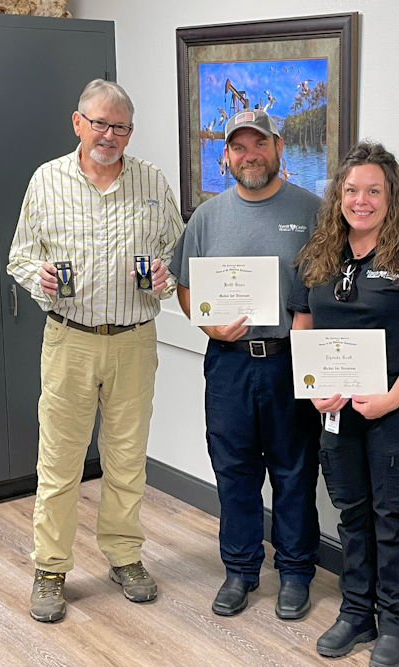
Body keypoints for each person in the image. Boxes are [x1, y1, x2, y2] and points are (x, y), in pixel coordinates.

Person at [7, 79, 184, 623]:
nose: (109, 135)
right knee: (58, 463)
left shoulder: (153, 182)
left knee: (127, 460)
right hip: (69, 340)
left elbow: (178, 252)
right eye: (100, 123)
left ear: (131, 131)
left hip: (133, 341)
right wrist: (38, 279)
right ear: (78, 122)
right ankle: (51, 569)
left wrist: (163, 276)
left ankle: (124, 557)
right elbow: (18, 257)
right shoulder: (47, 180)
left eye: (120, 126)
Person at [289, 142, 399, 666]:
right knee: (352, 512)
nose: (362, 200)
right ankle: (357, 611)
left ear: (391, 196)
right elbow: (302, 325)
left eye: (373, 191)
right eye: (352, 190)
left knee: (392, 515)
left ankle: (396, 621)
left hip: (395, 412)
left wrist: (392, 397)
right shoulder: (318, 255)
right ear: (338, 195)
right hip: (335, 411)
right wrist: (314, 386)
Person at [170, 108, 322, 619]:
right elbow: (186, 286)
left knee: (294, 471)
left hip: (288, 360)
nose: (249, 155)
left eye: (259, 144)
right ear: (225, 156)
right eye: (239, 147)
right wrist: (207, 325)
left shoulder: (314, 211)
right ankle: (239, 569)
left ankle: (297, 571)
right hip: (229, 364)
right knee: (233, 470)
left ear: (278, 148)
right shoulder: (208, 217)